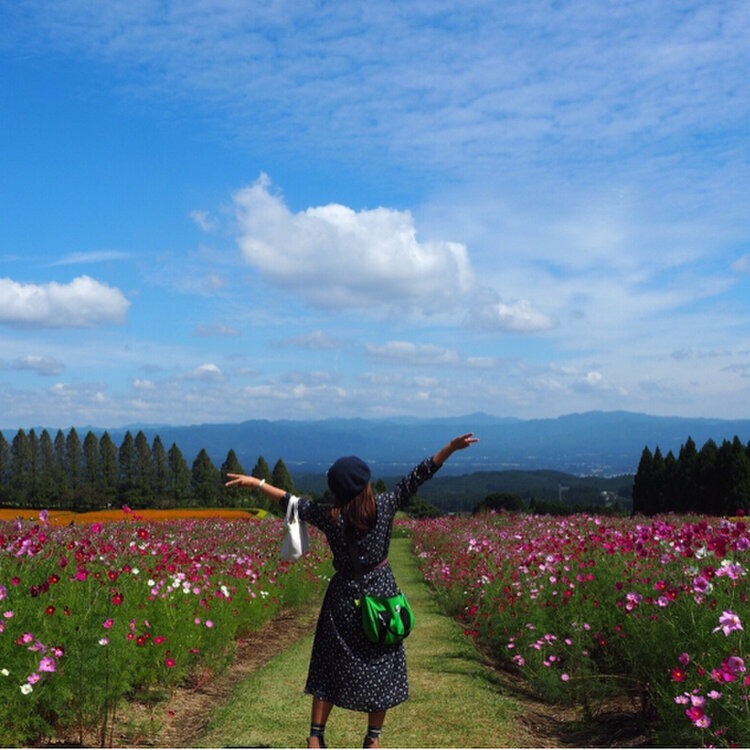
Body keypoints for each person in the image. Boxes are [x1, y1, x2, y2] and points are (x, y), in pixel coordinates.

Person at [225, 432, 478, 748]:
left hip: (343, 598)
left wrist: (257, 483)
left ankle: (316, 737)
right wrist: (451, 448)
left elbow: (290, 501)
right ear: (366, 484)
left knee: (328, 665)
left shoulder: (329, 516)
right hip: (382, 597)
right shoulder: (385, 506)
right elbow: (419, 475)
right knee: (383, 664)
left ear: (336, 491)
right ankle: (373, 739)